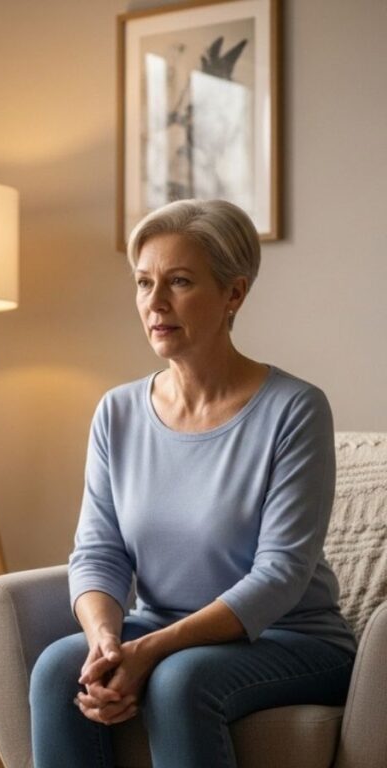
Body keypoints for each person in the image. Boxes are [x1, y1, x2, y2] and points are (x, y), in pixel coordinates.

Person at [29, 199, 356, 768]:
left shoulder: (295, 409)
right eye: (143, 282)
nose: (155, 303)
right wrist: (108, 641)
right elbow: (99, 551)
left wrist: (151, 649)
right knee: (58, 669)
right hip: (160, 623)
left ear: (234, 293)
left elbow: (279, 576)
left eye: (179, 282)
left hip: (290, 638)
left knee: (180, 679)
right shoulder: (118, 412)